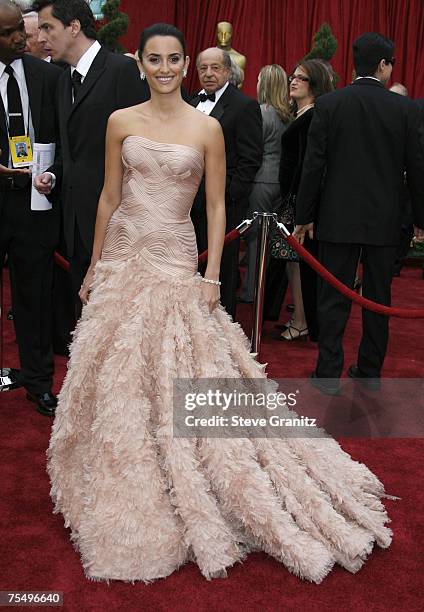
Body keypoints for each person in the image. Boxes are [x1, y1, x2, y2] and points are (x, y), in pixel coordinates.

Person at [47, 23, 392, 584]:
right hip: (124, 254)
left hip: (176, 255)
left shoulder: (207, 128)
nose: (164, 68)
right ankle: (121, 471)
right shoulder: (120, 122)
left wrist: (211, 274)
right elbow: (109, 195)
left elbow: (213, 207)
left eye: (173, 59)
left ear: (187, 65)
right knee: (115, 372)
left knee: (182, 362)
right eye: (153, 59)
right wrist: (93, 264)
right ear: (140, 63)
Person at [295, 32, 424, 395]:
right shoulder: (406, 109)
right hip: (384, 220)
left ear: (356, 64)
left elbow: (313, 165)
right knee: (378, 298)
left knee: (332, 296)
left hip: (337, 217)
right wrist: (420, 220)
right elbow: (417, 168)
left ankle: (327, 373)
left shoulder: (331, 104)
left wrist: (304, 214)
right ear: (384, 65)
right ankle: (369, 372)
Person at [32, 0, 150, 303]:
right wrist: (53, 174)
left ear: (73, 27)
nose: (41, 37)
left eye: (47, 27)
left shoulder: (121, 70)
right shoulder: (62, 80)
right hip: (73, 223)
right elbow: (71, 148)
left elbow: (141, 150)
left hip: (117, 225)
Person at [0, 0, 61, 415]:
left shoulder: (47, 76)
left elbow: (64, 139)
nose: (22, 38)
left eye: (21, 29)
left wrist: (50, 173)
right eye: (8, 33)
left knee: (34, 296)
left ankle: (39, 383)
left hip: (34, 201)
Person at [190, 46, 262, 318]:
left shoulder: (244, 106)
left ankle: (220, 333)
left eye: (215, 68)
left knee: (222, 274)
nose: (208, 74)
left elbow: (250, 160)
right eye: (203, 68)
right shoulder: (189, 102)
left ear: (229, 72)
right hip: (186, 206)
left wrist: (228, 195)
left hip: (223, 208)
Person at [277, 60, 333, 342]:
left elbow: (309, 167)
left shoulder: (313, 118)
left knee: (299, 262)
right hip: (293, 200)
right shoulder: (302, 115)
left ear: (316, 85)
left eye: (302, 78)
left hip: (301, 203)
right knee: (292, 262)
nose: (294, 81)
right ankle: (299, 317)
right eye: (293, 76)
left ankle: (302, 320)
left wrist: (302, 209)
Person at [239, 64, 291, 303]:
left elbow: (251, 149)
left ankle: (251, 292)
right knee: (269, 241)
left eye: (259, 79)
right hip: (280, 183)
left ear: (265, 84)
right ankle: (262, 291)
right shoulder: (288, 114)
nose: (257, 83)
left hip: (260, 181)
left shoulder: (261, 112)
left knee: (255, 241)